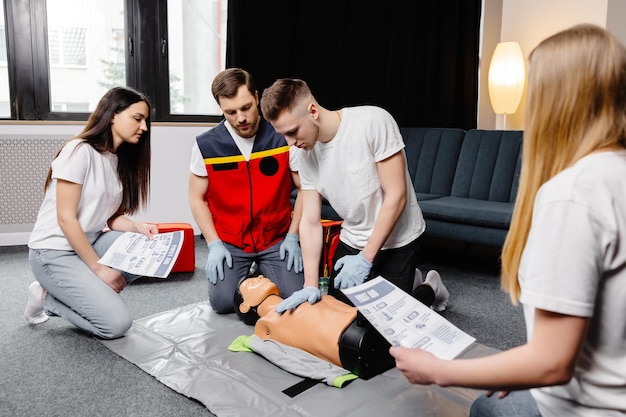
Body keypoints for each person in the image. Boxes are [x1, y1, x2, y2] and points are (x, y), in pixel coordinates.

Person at [389, 24, 626, 417]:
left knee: (485, 409)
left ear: (556, 100)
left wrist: (440, 370)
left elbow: (552, 362)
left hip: (589, 407)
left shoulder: (572, 194)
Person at [259, 79, 449, 313]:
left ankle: (430, 287)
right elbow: (309, 221)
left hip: (398, 239)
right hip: (353, 238)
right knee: (342, 323)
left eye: (292, 131)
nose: (290, 143)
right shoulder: (304, 154)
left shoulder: (372, 121)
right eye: (283, 135)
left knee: (384, 330)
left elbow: (397, 196)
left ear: (312, 111)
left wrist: (365, 260)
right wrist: (309, 284)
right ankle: (410, 282)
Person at [24, 86, 156, 339]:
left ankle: (89, 291)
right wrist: (98, 269)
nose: (144, 128)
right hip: (53, 252)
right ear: (113, 115)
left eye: (146, 121)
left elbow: (110, 217)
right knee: (116, 325)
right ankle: (44, 296)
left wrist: (137, 227)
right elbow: (66, 218)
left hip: (90, 242)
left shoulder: (117, 160)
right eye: (137, 119)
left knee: (145, 246)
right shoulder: (79, 151)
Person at [189, 68, 304, 314]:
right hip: (231, 240)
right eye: (231, 112)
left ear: (256, 96)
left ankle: (263, 271)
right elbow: (196, 198)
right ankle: (253, 276)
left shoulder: (281, 136)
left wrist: (293, 236)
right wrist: (213, 244)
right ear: (220, 108)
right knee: (222, 303)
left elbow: (304, 189)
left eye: (246, 107)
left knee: (296, 298)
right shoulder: (206, 145)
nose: (241, 118)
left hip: (275, 237)